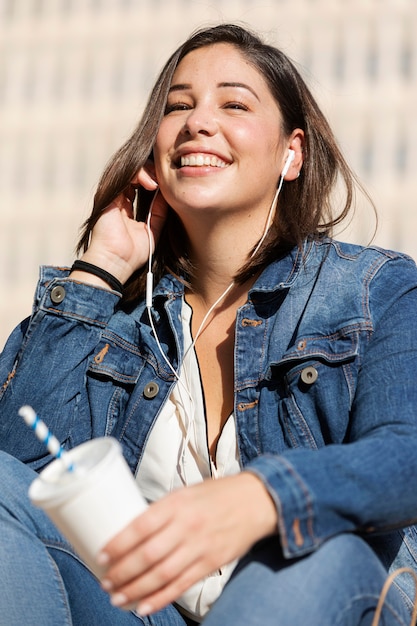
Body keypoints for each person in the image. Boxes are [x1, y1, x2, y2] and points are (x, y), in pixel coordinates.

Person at [1, 22, 417, 626]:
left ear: (291, 152)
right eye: (178, 106)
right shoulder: (122, 320)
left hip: (319, 599)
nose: (198, 121)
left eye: (234, 103)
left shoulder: (374, 290)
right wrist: (99, 271)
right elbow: (21, 470)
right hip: (149, 613)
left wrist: (265, 496)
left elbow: (406, 458)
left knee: (315, 551)